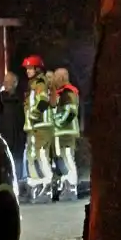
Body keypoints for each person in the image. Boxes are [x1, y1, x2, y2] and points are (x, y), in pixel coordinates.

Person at [0, 70, 27, 193]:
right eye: (5, 81)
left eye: (9, 82)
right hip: (4, 138)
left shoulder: (19, 101)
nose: (6, 84)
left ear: (15, 84)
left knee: (17, 164)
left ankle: (16, 189)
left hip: (17, 140)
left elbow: (22, 120)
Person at [23, 74, 55, 201]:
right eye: (27, 69)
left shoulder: (40, 84)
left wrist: (34, 115)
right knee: (32, 157)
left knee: (41, 155)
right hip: (33, 127)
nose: (28, 71)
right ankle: (36, 188)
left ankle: (47, 186)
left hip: (42, 125)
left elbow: (43, 101)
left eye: (30, 68)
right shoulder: (33, 86)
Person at [51, 68, 80, 201]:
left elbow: (70, 112)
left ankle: (71, 187)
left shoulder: (69, 92)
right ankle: (66, 187)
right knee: (62, 161)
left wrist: (56, 122)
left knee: (68, 159)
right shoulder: (60, 93)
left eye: (56, 77)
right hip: (61, 134)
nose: (54, 80)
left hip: (67, 133)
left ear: (62, 77)